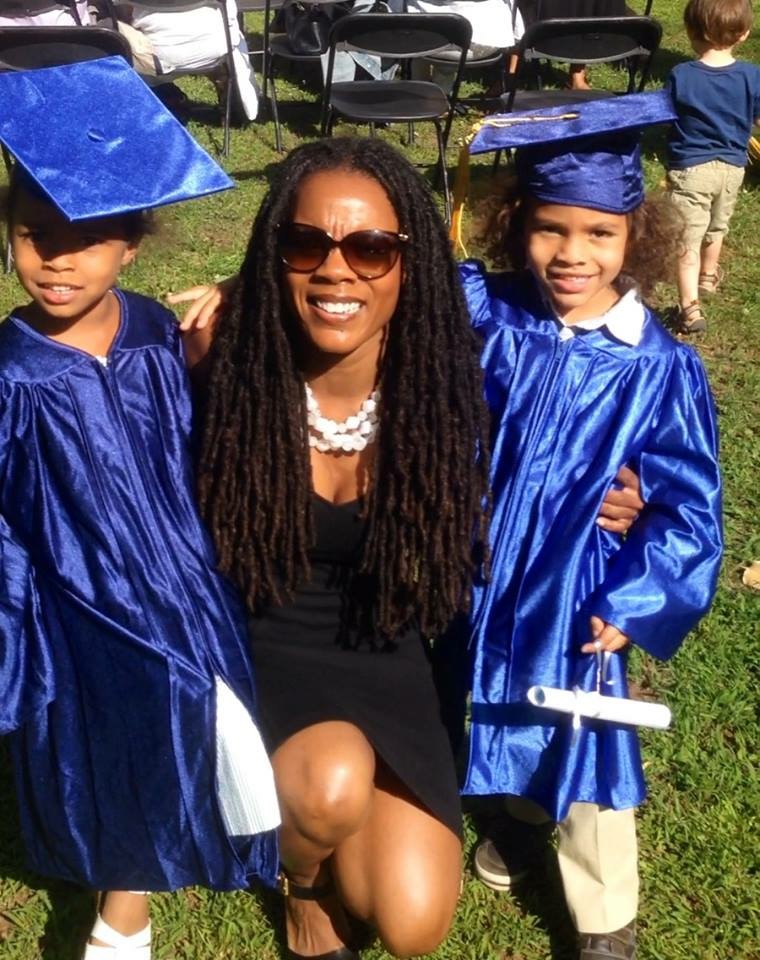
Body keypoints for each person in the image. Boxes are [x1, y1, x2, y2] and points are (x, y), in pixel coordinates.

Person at [170, 133, 644, 959]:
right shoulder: (220, 356)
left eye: (370, 247)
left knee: (413, 922)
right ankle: (303, 886)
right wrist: (237, 287)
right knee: (330, 783)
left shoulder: (450, 366)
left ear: (409, 261)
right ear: (274, 249)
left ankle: (331, 815)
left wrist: (612, 499)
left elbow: (554, 443)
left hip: (389, 648)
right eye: (305, 242)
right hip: (263, 642)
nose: (337, 270)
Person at [0, 58, 279, 960]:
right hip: (77, 594)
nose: (56, 259)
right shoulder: (10, 374)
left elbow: (207, 441)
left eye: (86, 238)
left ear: (131, 244)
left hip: (185, 573)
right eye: (34, 235)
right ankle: (125, 907)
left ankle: (151, 884)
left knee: (204, 715)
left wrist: (230, 319)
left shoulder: (159, 333)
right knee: (112, 730)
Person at [454, 92, 723, 960]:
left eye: (600, 233)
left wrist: (637, 598)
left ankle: (605, 921)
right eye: (550, 229)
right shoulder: (488, 313)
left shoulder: (657, 365)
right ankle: (519, 818)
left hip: (581, 584)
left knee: (588, 735)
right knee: (494, 694)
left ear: (634, 237)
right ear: (516, 225)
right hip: (475, 565)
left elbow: (688, 505)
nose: (573, 253)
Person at [665, 0, 760, 333]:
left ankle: (690, 308)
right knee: (717, 226)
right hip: (733, 168)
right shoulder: (752, 76)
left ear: (690, 30)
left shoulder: (681, 75)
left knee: (687, 238)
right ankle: (708, 276)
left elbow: (666, 115)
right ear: (745, 33)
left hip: (691, 168)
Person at [112, 0, 259, 122]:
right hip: (217, 49)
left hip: (156, 57)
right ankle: (229, 84)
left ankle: (156, 97)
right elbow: (231, 16)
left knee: (112, 23)